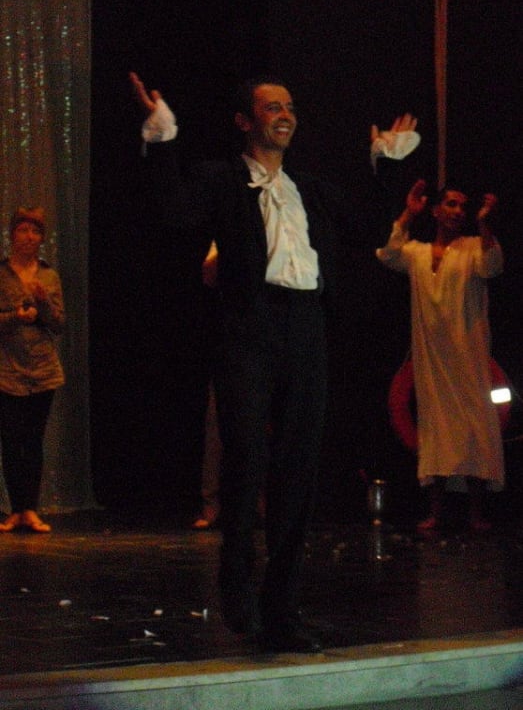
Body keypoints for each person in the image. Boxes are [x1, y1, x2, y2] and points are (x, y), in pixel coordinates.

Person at [130, 71, 419, 652]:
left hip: (307, 327)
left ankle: (282, 608)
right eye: (271, 107)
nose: (285, 114)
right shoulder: (222, 179)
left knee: (298, 468)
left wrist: (386, 164)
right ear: (245, 121)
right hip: (249, 327)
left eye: (289, 106)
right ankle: (238, 586)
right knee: (246, 458)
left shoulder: (309, 188)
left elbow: (368, 226)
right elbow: (173, 209)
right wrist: (162, 136)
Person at [376, 179, 504, 532]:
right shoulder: (417, 253)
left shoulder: (473, 248)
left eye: (463, 206)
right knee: (436, 427)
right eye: (451, 204)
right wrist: (408, 213)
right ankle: (435, 511)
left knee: (474, 425)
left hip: (467, 353)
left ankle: (475, 513)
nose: (458, 211)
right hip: (432, 357)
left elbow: (492, 265)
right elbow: (388, 254)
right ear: (435, 210)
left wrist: (484, 223)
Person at [0, 207, 65, 533]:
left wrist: (43, 305)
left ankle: (30, 509)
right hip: (7, 369)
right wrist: (16, 316)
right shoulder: (2, 274)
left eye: (36, 232)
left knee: (33, 440)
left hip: (42, 368)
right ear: (13, 235)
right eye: (24, 230)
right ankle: (15, 510)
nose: (29, 237)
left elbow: (59, 324)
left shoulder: (49, 276)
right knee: (11, 441)